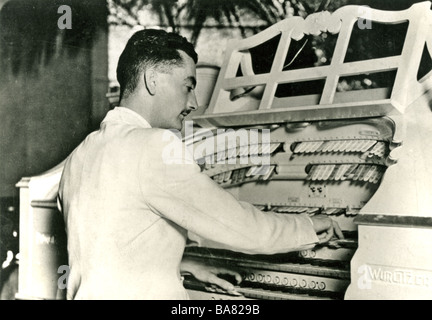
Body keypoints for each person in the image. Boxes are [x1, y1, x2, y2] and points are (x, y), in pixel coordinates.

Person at [57, 29, 343, 300]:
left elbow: (113, 249)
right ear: (152, 79)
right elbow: (245, 229)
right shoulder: (154, 145)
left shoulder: (82, 153)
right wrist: (310, 224)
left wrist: (182, 264)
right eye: (188, 86)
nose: (193, 102)